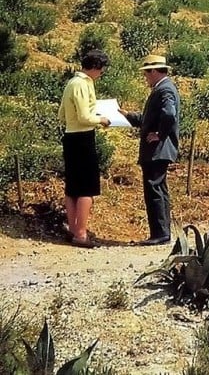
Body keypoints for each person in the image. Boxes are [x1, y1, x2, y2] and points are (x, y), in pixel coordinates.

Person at [120, 54, 180, 246]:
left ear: (154, 71)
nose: (145, 77)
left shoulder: (164, 90)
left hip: (157, 150)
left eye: (146, 73)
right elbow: (151, 118)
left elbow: (169, 114)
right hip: (158, 149)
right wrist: (128, 116)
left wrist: (159, 134)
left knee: (154, 189)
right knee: (158, 189)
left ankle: (160, 234)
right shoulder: (163, 88)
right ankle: (161, 232)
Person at [58, 49, 111, 248]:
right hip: (83, 137)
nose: (101, 74)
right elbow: (83, 117)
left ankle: (73, 230)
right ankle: (81, 234)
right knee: (86, 187)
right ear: (96, 67)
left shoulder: (71, 83)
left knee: (72, 187)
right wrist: (101, 119)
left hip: (71, 136)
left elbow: (62, 114)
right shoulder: (82, 84)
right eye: (101, 70)